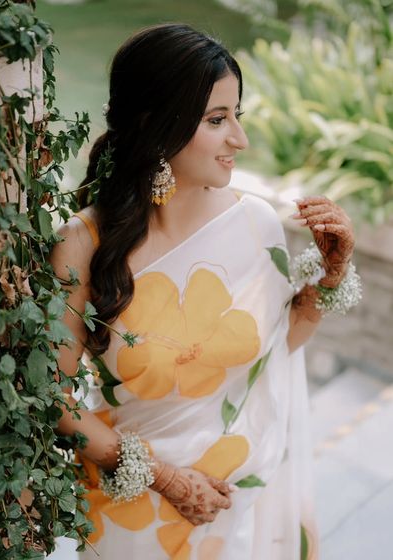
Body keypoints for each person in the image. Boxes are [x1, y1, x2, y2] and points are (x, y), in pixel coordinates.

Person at [51, 23, 356, 560]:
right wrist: (167, 479)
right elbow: (53, 401)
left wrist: (331, 275)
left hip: (246, 501)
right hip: (137, 514)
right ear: (155, 124)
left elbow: (277, 349)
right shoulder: (83, 244)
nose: (239, 139)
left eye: (238, 116)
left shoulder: (255, 222)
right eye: (218, 120)